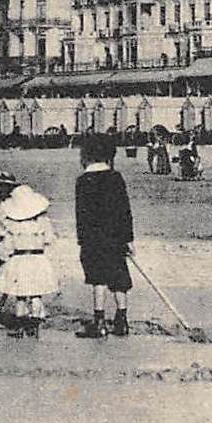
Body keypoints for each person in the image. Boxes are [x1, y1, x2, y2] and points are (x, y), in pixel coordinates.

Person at [0, 162, 58, 337]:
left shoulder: (13, 222)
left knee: (20, 296)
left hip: (19, 260)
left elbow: (7, 239)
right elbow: (49, 239)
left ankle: (20, 326)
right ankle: (34, 326)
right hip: (39, 259)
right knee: (36, 295)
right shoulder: (42, 220)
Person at [73, 135, 134, 339]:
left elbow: (81, 214)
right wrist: (129, 239)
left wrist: (82, 240)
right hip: (116, 237)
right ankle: (122, 320)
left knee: (97, 278)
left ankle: (99, 321)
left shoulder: (83, 181)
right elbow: (125, 211)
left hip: (93, 239)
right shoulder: (116, 178)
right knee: (119, 276)